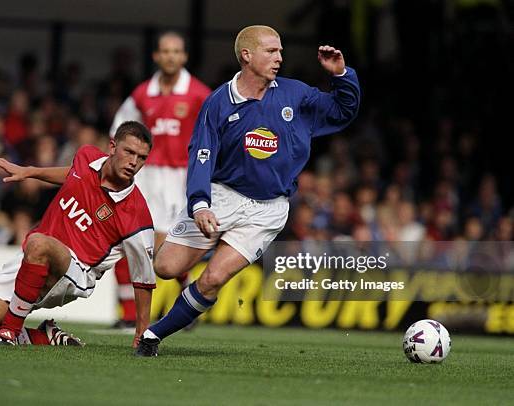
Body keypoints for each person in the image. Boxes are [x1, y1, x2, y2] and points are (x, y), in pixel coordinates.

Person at [135, 25, 361, 356]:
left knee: (213, 279)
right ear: (247, 55)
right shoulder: (217, 103)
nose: (279, 58)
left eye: (280, 51)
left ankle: (153, 336)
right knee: (166, 267)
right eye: (271, 51)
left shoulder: (296, 95)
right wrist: (199, 204)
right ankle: (211, 252)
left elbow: (344, 111)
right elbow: (201, 155)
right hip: (222, 196)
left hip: (268, 210)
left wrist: (341, 74)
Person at [0, 121, 156, 347]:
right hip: (35, 255)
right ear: (112, 147)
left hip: (78, 272)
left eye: (141, 158)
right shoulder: (87, 156)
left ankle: (9, 331)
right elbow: (73, 175)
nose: (133, 162)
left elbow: (144, 280)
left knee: (38, 243)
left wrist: (142, 333)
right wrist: (30, 172)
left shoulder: (137, 215)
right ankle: (47, 337)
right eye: (129, 152)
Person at [109, 31, 210, 327]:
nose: (170, 57)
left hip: (181, 177)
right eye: (165, 51)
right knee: (129, 239)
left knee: (167, 244)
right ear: (156, 56)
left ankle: (184, 306)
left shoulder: (199, 94)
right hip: (145, 175)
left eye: (176, 51)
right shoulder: (142, 94)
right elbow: (119, 130)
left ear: (184, 57)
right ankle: (127, 315)